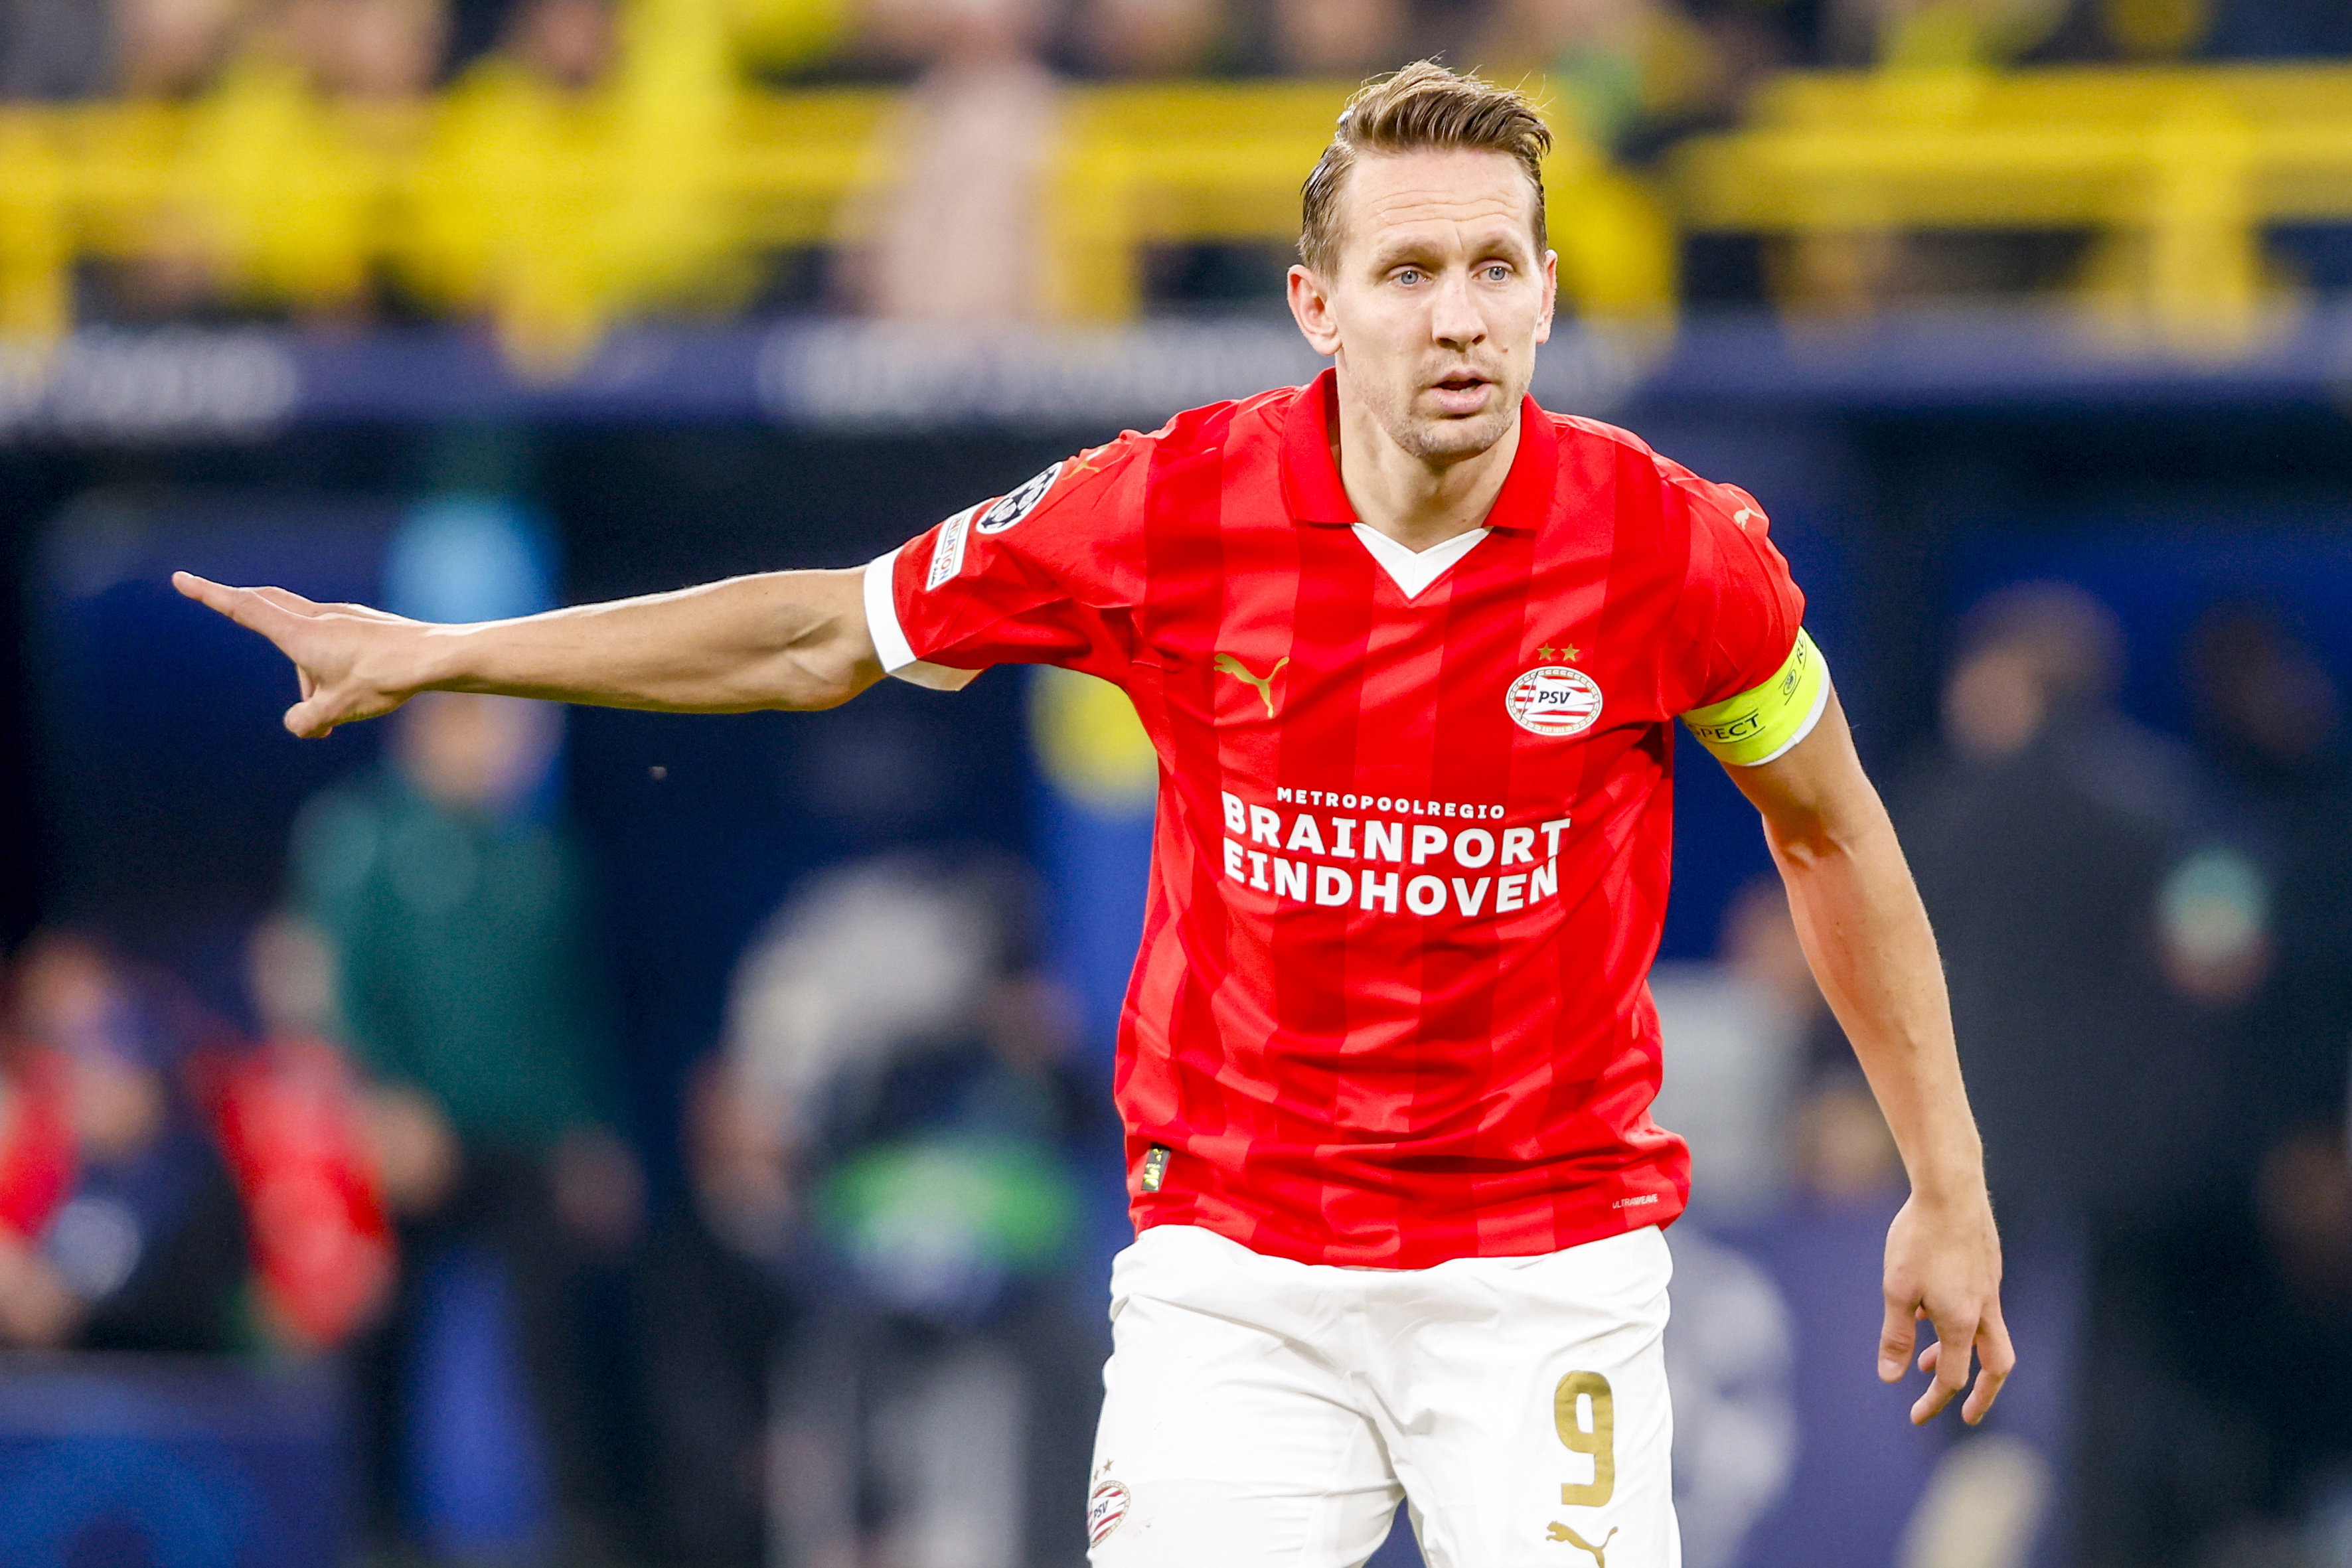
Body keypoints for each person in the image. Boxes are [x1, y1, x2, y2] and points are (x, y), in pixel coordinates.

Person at [175, 62, 2009, 1567]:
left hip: (1540, 1275)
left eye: (1494, 268)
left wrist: (1945, 1175)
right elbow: (824, 629)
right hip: (1237, 1274)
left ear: (1546, 289)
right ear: (1318, 304)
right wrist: (448, 653)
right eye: (1406, 272)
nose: (1458, 315)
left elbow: (1832, 827)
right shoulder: (1166, 511)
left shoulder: (1678, 551)